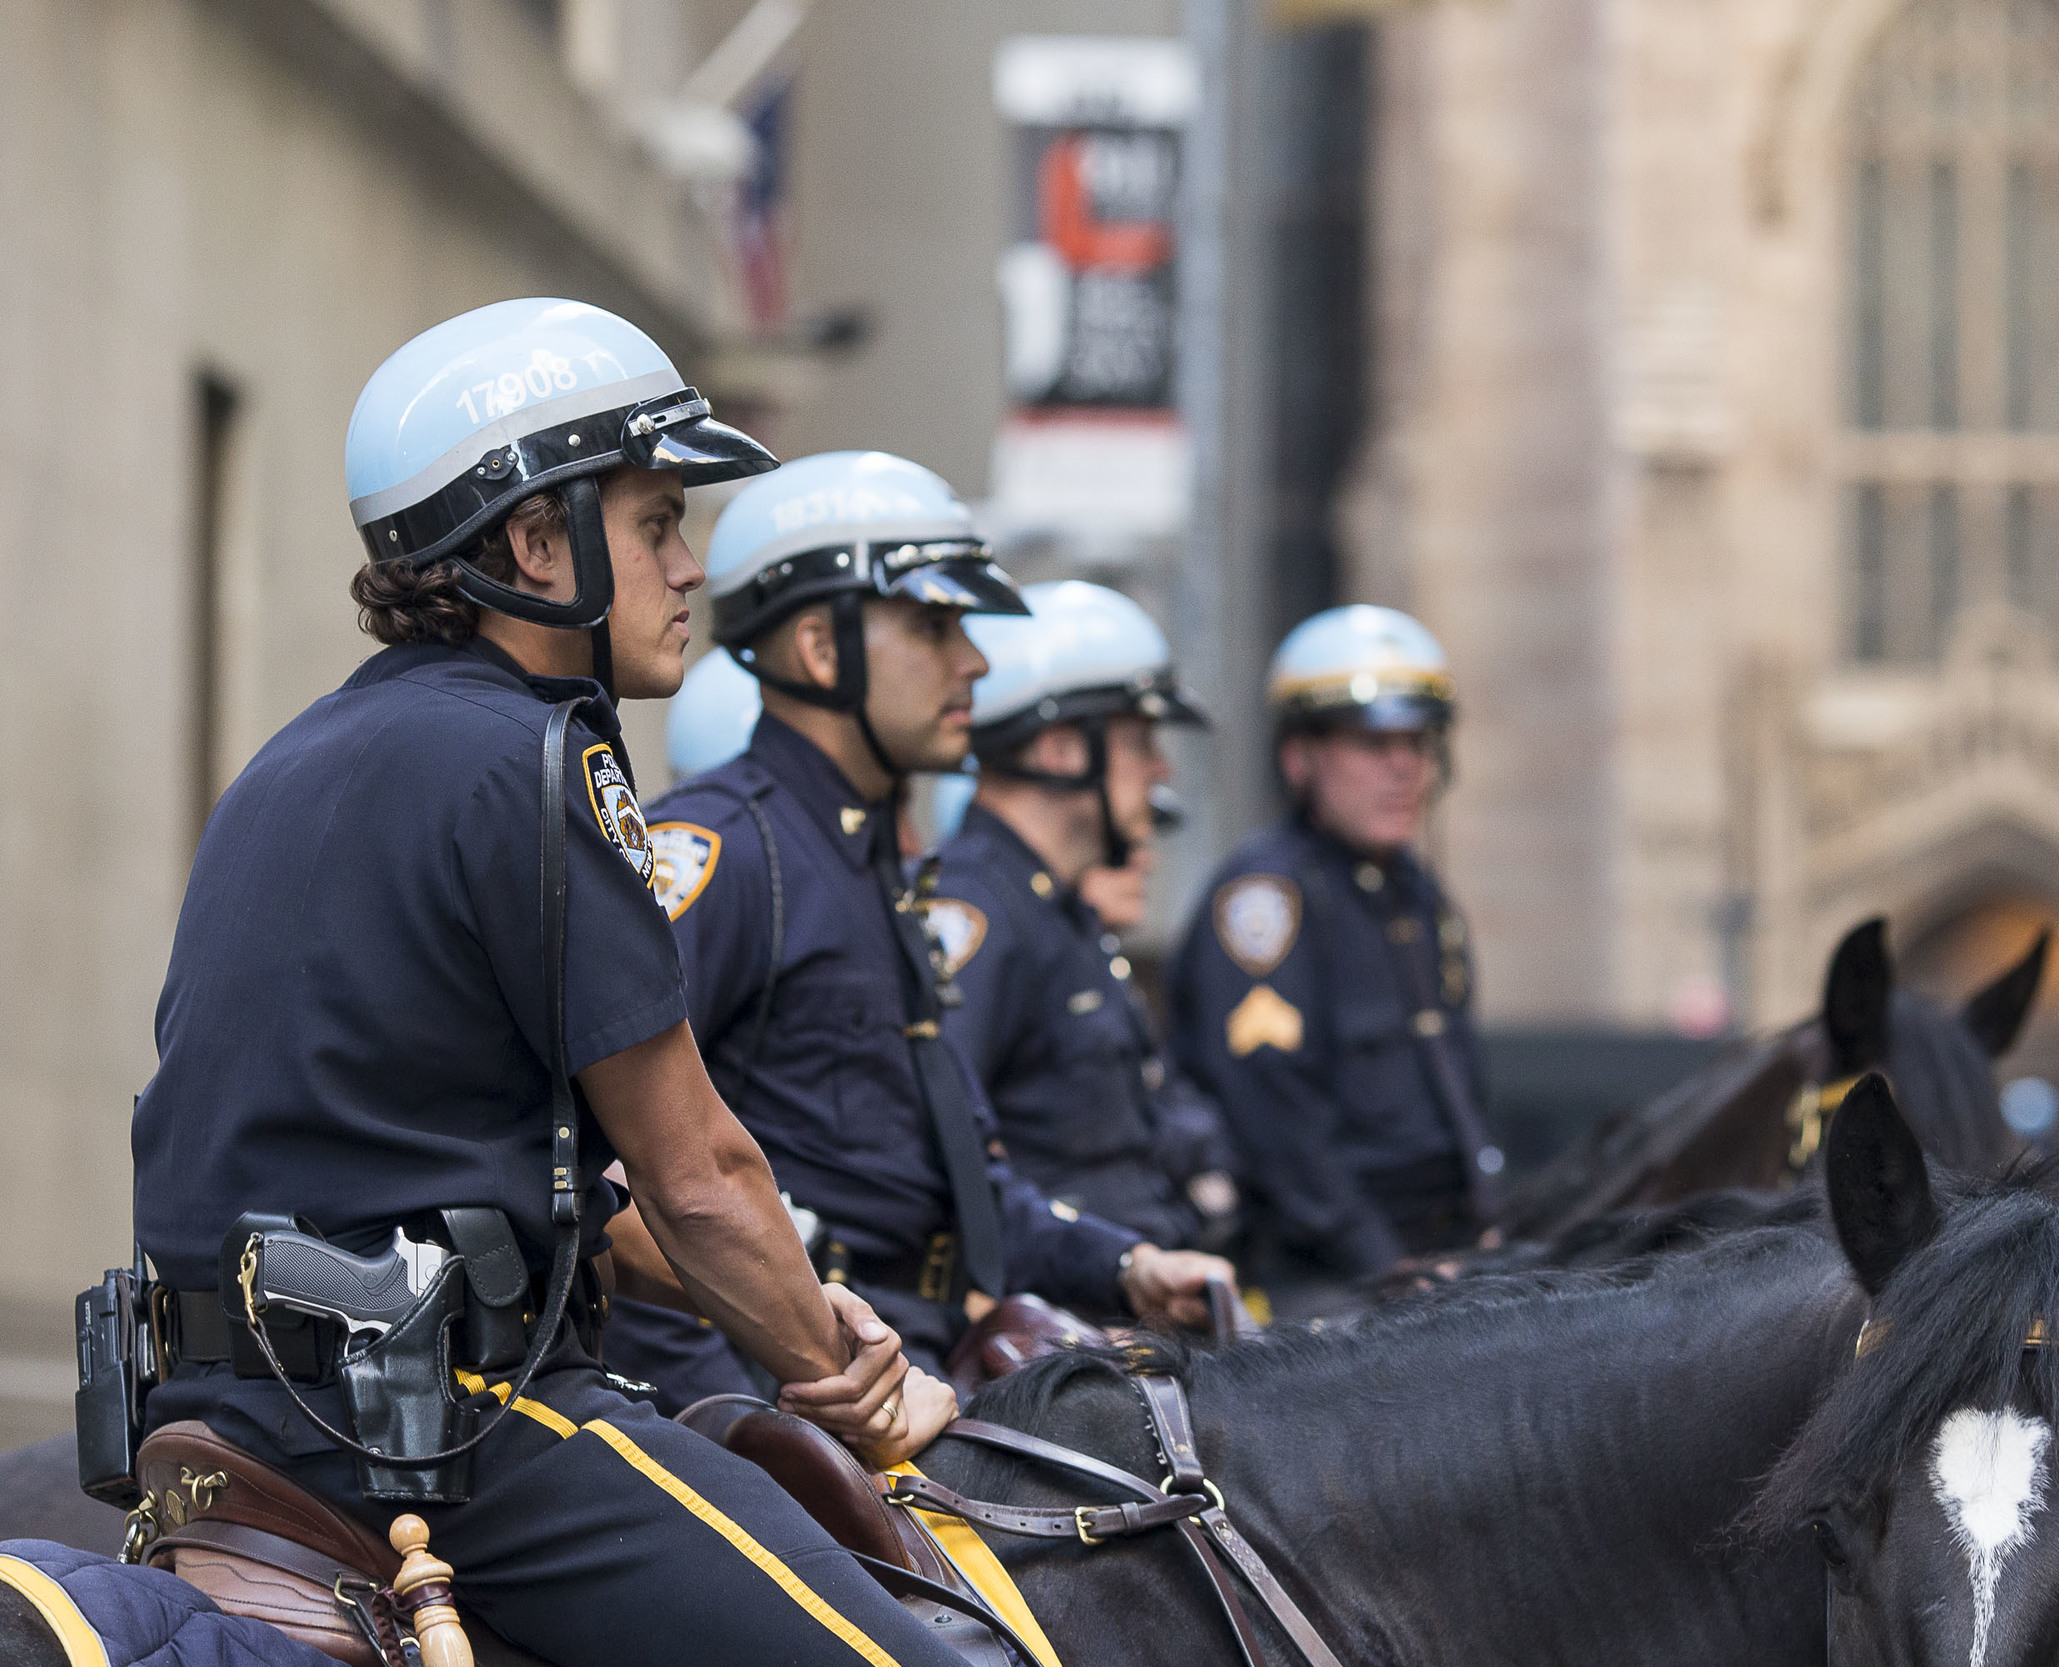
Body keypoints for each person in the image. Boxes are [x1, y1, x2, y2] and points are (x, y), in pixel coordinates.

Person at [130, 299, 966, 1667]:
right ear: (535, 542)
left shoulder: (297, 756)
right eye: (656, 523)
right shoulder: (534, 760)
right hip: (446, 1426)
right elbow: (697, 1173)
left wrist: (779, 1301)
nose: (690, 566)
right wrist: (850, 1381)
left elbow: (509, 1174)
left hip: (218, 1410)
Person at [603, 454, 1233, 1405]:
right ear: (820, 649)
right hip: (796, 1390)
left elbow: (963, 1195)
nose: (974, 661)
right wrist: (741, 1422)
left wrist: (1128, 1266)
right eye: (935, 625)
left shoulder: (871, 867)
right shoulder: (726, 850)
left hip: (925, 1360)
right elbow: (620, 1181)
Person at [1170, 605, 1499, 1307]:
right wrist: (1394, 1271)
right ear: (1300, 756)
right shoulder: (1264, 900)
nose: (1403, 766)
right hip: (1324, 1277)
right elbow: (1280, 1134)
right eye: (1370, 741)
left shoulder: (1412, 890)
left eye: (1418, 739)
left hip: (1440, 1257)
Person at [925, 582, 1239, 1254]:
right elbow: (943, 1153)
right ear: (1061, 749)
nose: (1161, 767)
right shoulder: (975, 908)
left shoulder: (1056, 911)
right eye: (1138, 739)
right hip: (1069, 1322)